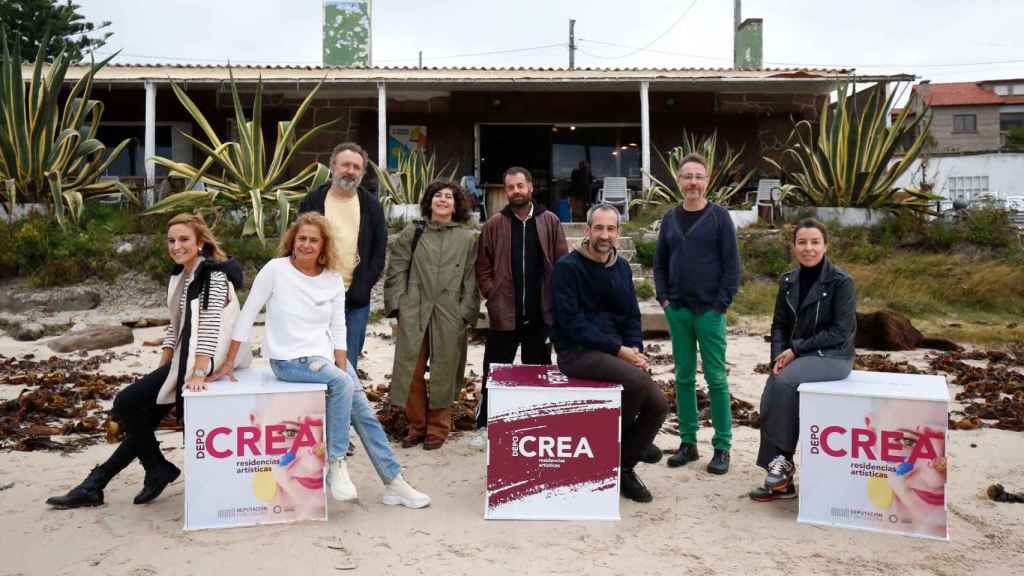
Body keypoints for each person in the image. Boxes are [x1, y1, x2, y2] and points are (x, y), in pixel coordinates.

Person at [209, 212, 429, 509]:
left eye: (314, 240)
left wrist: (343, 367)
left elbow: (338, 327)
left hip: (325, 357)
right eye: (301, 238)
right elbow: (246, 315)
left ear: (323, 245)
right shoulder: (275, 270)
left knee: (363, 412)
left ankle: (394, 482)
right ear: (292, 241)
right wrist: (228, 362)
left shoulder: (332, 279)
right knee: (342, 383)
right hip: (288, 360)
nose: (306, 244)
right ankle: (336, 463)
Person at [46, 213, 246, 509]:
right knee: (145, 419)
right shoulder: (183, 274)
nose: (176, 246)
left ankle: (150, 470)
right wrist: (163, 366)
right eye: (171, 240)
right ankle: (99, 483)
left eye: (184, 239)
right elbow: (176, 326)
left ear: (200, 242)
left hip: (202, 361)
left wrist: (198, 372)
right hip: (182, 360)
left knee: (125, 403)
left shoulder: (213, 275)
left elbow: (210, 325)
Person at [551, 203, 669, 503]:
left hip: (616, 352)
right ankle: (627, 451)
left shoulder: (621, 267)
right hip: (577, 352)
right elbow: (571, 323)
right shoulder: (567, 268)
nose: (605, 235)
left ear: (618, 232)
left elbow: (631, 315)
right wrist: (619, 350)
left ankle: (625, 460)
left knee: (658, 406)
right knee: (637, 383)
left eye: (611, 228)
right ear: (588, 230)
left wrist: (635, 347)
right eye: (599, 228)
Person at [750, 219, 856, 502]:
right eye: (802, 242)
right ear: (794, 246)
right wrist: (777, 358)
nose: (808, 248)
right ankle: (780, 471)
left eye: (815, 242)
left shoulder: (841, 282)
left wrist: (795, 351)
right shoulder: (788, 281)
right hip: (797, 355)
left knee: (783, 383)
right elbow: (779, 325)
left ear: (825, 246)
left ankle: (781, 463)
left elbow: (840, 332)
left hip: (833, 355)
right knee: (775, 381)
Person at [654, 152, 740, 475]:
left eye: (698, 177)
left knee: (716, 379)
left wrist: (720, 305)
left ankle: (722, 446)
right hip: (678, 311)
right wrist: (664, 300)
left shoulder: (720, 217)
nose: (693, 182)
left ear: (707, 181)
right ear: (679, 180)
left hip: (710, 312)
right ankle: (688, 443)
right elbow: (660, 263)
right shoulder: (669, 219)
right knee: (683, 377)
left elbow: (732, 266)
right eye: (687, 176)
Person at [472, 166, 568, 448]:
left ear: (530, 188)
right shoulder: (494, 224)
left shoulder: (550, 221)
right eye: (510, 187)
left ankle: (536, 425)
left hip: (540, 314)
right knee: (493, 372)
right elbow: (482, 266)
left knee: (538, 373)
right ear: (506, 191)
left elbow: (562, 263)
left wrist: (556, 301)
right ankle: (484, 425)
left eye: (520, 186)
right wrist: (492, 294)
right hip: (504, 313)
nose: (515, 191)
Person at [384, 180, 479, 451]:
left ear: (456, 205)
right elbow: (397, 270)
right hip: (414, 309)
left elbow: (471, 279)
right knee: (410, 369)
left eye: (449, 196)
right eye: (438, 195)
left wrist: (464, 313)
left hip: (450, 311)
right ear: (429, 202)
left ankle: (438, 427)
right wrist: (399, 306)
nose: (443, 200)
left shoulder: (468, 238)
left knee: (445, 369)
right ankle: (416, 425)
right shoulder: (412, 232)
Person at [298, 142, 387, 371]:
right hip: (316, 297)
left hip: (355, 299)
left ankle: (346, 396)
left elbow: (379, 251)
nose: (350, 171)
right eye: (345, 165)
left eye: (357, 167)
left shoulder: (372, 206)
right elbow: (298, 244)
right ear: (332, 166)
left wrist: (364, 285)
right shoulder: (312, 202)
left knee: (347, 365)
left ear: (362, 172)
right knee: (313, 361)